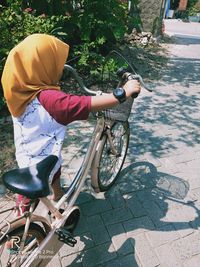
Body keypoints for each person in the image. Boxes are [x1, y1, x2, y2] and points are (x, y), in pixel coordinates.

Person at [1, 33, 140, 214]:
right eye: (55, 62)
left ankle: (56, 195)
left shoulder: (19, 89)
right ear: (44, 65)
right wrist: (121, 94)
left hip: (28, 154)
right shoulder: (51, 100)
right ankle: (17, 233)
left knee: (55, 163)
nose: (59, 68)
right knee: (28, 202)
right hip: (39, 164)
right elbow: (83, 104)